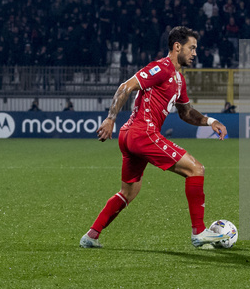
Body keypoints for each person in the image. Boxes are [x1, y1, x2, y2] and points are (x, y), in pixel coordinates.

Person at [80, 26, 229, 249]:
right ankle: (198, 233)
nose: (195, 53)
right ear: (177, 47)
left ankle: (91, 235)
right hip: (142, 132)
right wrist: (110, 118)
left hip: (130, 136)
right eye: (192, 48)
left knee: (129, 192)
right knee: (196, 169)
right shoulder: (161, 68)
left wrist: (210, 121)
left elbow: (186, 113)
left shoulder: (178, 79)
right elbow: (125, 87)